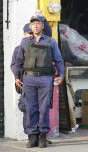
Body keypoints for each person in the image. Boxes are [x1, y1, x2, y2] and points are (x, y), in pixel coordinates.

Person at [13, 15, 64, 148]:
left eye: (38, 23)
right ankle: (32, 137)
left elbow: (58, 60)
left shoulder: (50, 41)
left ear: (42, 26)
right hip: (28, 79)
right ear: (31, 27)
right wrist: (17, 77)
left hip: (45, 78)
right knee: (31, 108)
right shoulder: (24, 42)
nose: (36, 25)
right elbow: (18, 61)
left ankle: (42, 136)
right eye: (33, 24)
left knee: (44, 108)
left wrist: (61, 74)